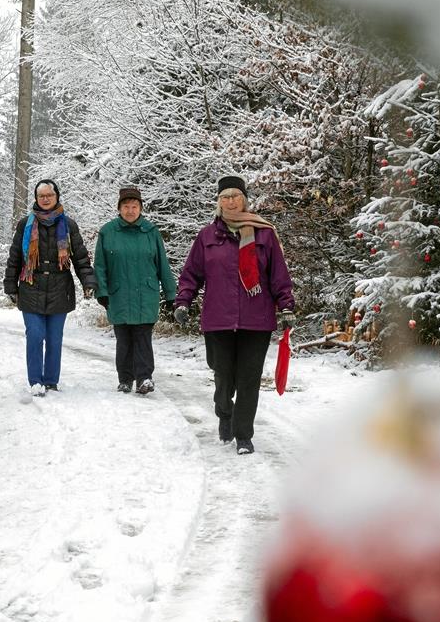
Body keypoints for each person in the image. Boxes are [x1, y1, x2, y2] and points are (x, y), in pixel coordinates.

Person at [174, 175, 296, 455]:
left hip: (257, 319)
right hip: (218, 319)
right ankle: (224, 412)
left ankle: (244, 435)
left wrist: (286, 305)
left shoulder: (264, 234)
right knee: (223, 376)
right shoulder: (206, 237)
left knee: (249, 379)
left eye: (235, 196)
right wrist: (184, 302)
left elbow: (278, 275)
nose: (230, 201)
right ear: (218, 203)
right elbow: (191, 274)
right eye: (225, 197)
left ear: (245, 199)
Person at [3, 179, 97, 395]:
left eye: (49, 195)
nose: (45, 199)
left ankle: (51, 381)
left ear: (57, 197)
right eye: (41, 196)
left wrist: (88, 282)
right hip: (30, 285)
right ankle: (36, 381)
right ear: (36, 199)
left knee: (54, 338)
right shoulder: (25, 224)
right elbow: (15, 257)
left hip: (59, 287)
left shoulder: (69, 225)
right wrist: (10, 285)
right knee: (35, 335)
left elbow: (81, 258)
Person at [94, 186, 177, 395]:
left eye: (134, 206)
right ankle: (124, 379)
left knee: (142, 338)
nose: (130, 211)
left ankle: (144, 378)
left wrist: (170, 294)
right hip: (118, 294)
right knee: (123, 339)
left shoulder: (151, 232)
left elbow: (162, 265)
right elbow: (100, 266)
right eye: (126, 207)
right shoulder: (108, 232)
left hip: (145, 294)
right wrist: (101, 291)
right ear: (119, 209)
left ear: (140, 208)